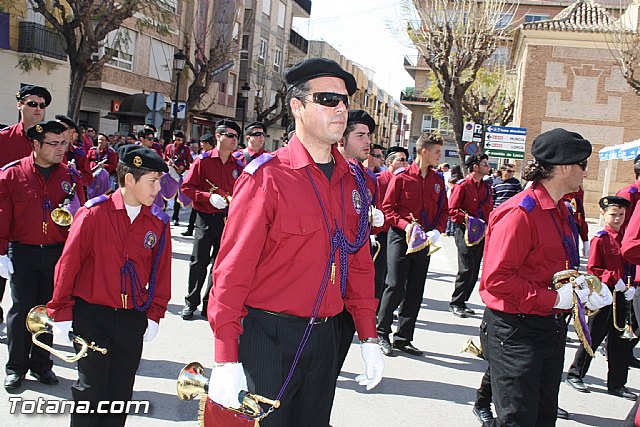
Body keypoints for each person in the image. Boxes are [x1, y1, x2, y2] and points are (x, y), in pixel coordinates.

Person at [208, 58, 383, 426]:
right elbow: (231, 272)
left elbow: (360, 263)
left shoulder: (354, 181)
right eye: (327, 99)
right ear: (297, 106)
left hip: (325, 337)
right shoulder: (266, 178)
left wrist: (369, 336)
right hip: (267, 337)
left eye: (344, 101)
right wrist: (225, 356)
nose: (340, 109)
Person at [479, 128, 613, 426]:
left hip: (548, 328)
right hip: (516, 332)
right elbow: (496, 280)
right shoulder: (520, 213)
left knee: (542, 418)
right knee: (518, 420)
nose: (586, 174)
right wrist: (554, 298)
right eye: (583, 165)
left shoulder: (561, 210)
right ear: (564, 167)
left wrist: (583, 289)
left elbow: (554, 269)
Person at [46, 145, 171, 426]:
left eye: (159, 181)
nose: (158, 189)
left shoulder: (159, 221)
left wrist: (154, 314)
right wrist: (61, 312)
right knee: (90, 390)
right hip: (93, 316)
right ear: (130, 180)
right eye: (152, 181)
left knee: (120, 391)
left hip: (131, 318)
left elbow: (161, 273)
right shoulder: (93, 214)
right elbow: (68, 265)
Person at [0, 120, 86, 389]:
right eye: (53, 143)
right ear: (36, 145)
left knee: (48, 312)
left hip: (56, 254)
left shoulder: (70, 176)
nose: (61, 149)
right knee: (20, 311)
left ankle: (41, 365)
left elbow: (82, 218)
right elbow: (2, 218)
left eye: (64, 143)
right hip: (22, 253)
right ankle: (16, 367)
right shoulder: (11, 175)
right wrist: (1, 253)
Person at [377, 133, 448, 356]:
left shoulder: (437, 181)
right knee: (395, 285)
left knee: (416, 289)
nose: (440, 156)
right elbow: (388, 209)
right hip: (401, 237)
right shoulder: (402, 177)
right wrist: (406, 226)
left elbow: (443, 210)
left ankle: (403, 337)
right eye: (436, 151)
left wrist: (437, 230)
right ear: (423, 151)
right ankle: (381, 333)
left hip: (424, 240)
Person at [565, 196, 638, 400]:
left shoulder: (626, 236)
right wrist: (615, 279)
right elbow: (593, 269)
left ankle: (617, 383)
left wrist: (630, 286)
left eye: (621, 215)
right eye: (613, 214)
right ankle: (575, 374)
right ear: (603, 215)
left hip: (624, 295)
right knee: (593, 337)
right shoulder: (601, 238)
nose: (617, 219)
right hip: (605, 295)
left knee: (620, 343)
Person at [334, 109, 384, 376]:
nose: (368, 142)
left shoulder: (368, 179)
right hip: (325, 283)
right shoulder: (328, 172)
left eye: (369, 136)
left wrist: (374, 222)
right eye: (360, 135)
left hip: (353, 279)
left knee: (333, 362)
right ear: (341, 139)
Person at [180, 121, 244, 320]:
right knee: (199, 261)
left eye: (236, 137)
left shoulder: (238, 165)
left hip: (227, 219)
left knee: (219, 263)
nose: (235, 140)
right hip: (205, 217)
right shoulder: (203, 161)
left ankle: (209, 303)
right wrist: (208, 197)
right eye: (231, 136)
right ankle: (191, 302)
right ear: (218, 136)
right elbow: (186, 188)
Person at [0, 85, 52, 325]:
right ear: (19, 105)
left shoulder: (50, 141)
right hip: (4, 221)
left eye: (42, 105)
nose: (38, 109)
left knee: (30, 296)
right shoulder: (4, 139)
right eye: (32, 104)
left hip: (33, 227)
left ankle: (31, 335)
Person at [448, 153, 493, 318]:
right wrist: (469, 219)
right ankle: (456, 302)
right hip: (465, 230)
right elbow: (452, 211)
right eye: (484, 164)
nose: (488, 167)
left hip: (481, 232)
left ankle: (463, 301)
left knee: (474, 269)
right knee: (465, 268)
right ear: (475, 167)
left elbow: (489, 209)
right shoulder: (462, 185)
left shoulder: (487, 187)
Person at [375, 147, 410, 310]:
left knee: (395, 275)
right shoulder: (380, 180)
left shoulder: (405, 180)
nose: (405, 163)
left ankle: (386, 307)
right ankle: (377, 307)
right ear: (390, 162)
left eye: (406, 160)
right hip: (382, 232)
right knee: (380, 273)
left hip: (398, 231)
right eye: (401, 160)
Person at [164, 130, 191, 226]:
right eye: (175, 139)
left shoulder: (186, 149)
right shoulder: (168, 147)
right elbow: (164, 159)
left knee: (177, 197)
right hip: (170, 172)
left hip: (179, 174)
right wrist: (168, 163)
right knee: (165, 193)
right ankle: (162, 215)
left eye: (179, 140)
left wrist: (183, 168)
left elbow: (188, 163)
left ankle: (176, 217)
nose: (177, 142)